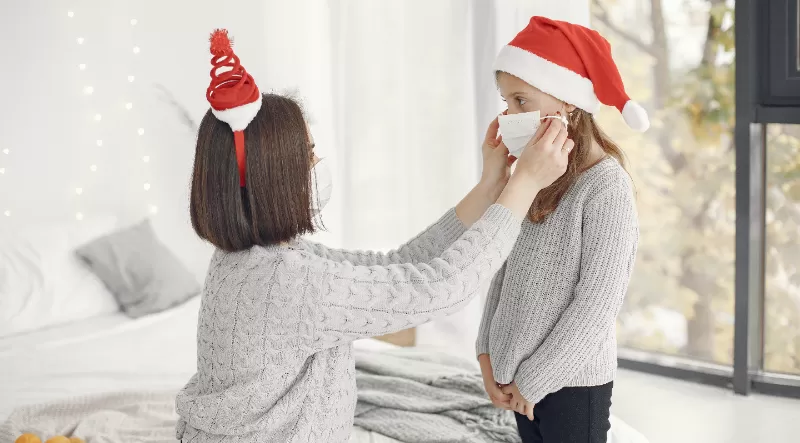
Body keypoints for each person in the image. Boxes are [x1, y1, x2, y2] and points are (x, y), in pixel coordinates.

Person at [175, 29, 573, 443]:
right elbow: (441, 287)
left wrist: (491, 186)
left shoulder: (258, 261)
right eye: (309, 155)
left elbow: (398, 265)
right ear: (273, 176)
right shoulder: (286, 282)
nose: (319, 163)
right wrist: (523, 186)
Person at [476, 16, 643, 443]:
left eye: (521, 100)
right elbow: (502, 269)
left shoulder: (606, 186)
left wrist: (534, 381)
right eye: (506, 102)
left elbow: (596, 306)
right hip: (516, 381)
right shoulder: (532, 175)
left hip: (571, 386)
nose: (509, 115)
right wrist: (486, 352)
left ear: (567, 102)